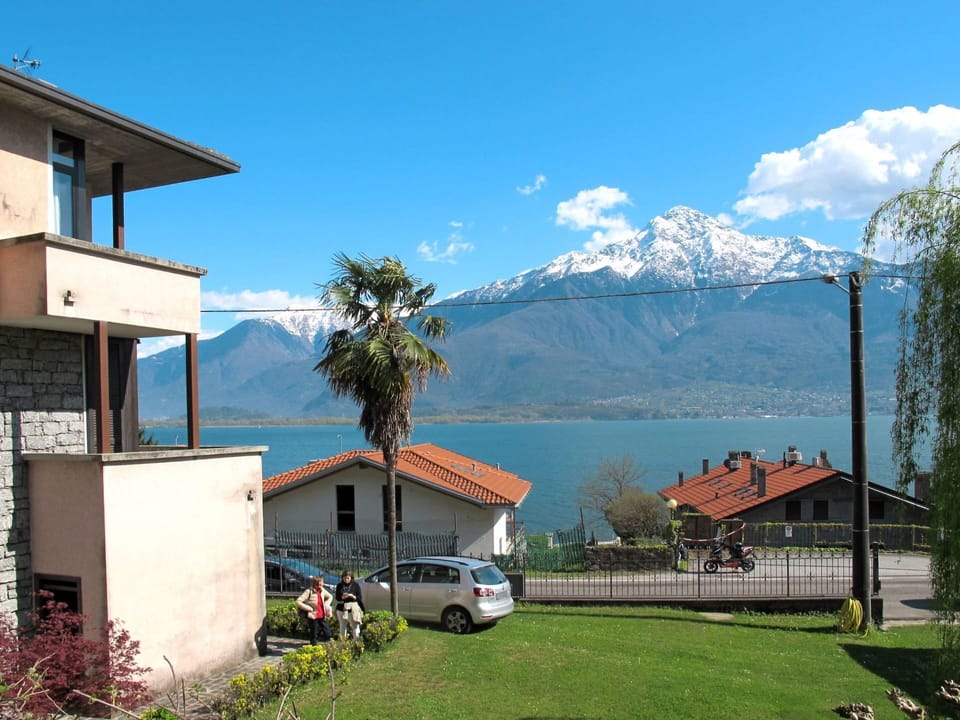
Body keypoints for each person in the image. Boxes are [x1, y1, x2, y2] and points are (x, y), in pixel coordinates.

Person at [296, 576, 333, 645]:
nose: (320, 586)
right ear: (314, 584)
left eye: (321, 584)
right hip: (313, 615)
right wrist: (308, 608)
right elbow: (298, 601)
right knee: (314, 632)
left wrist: (326, 604)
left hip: (322, 615)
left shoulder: (322, 590)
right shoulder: (309, 591)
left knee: (327, 632)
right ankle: (314, 646)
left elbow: (330, 596)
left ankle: (328, 645)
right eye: (318, 585)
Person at [335, 570, 364, 641]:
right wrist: (342, 597)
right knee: (342, 626)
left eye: (348, 578)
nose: (346, 580)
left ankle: (356, 641)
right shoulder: (339, 585)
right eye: (344, 578)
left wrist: (353, 597)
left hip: (352, 608)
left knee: (355, 625)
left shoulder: (355, 585)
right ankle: (343, 642)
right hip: (342, 608)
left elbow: (359, 597)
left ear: (351, 578)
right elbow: (337, 597)